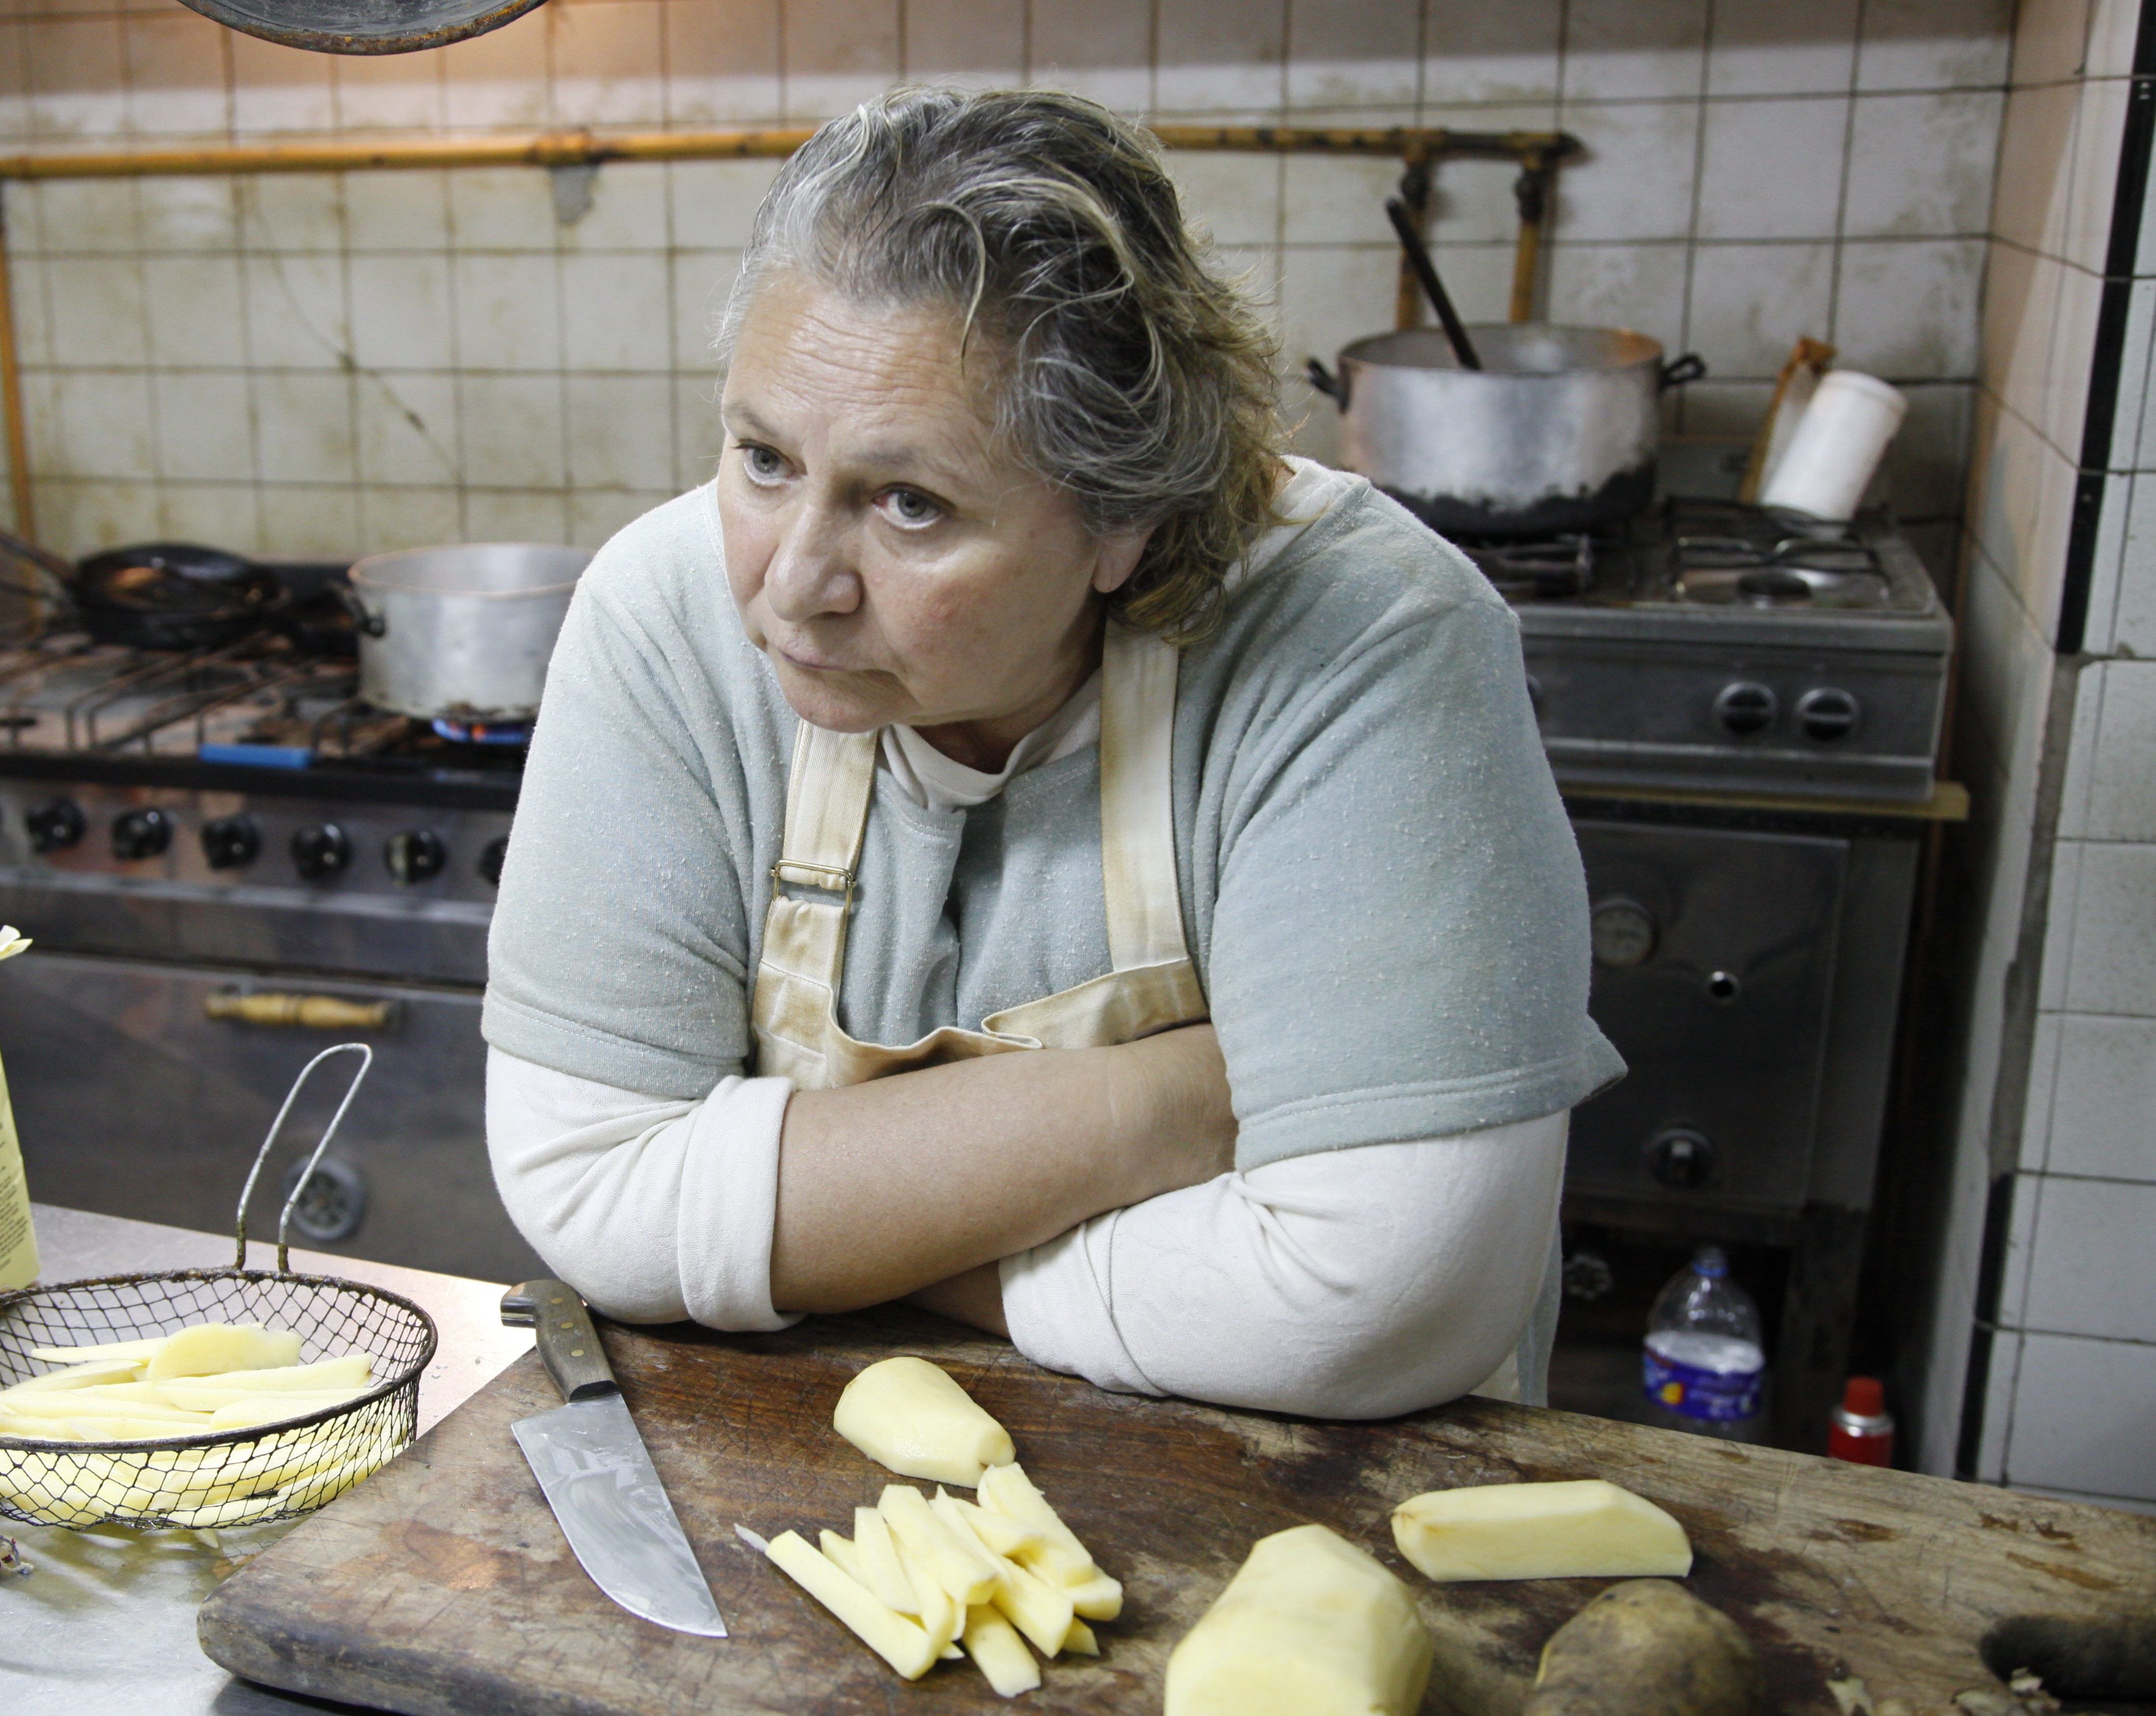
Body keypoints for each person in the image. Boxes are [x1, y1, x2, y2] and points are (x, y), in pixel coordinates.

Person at [480, 87, 1623, 1417]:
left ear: (1124, 517)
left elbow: (1375, 1299)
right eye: (764, 457)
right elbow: (594, 1192)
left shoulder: (1366, 637)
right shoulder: (664, 614)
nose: (793, 586)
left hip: (1328, 1506)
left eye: (911, 505)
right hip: (801, 1497)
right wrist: (1180, 1103)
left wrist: (825, 1239)